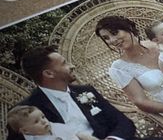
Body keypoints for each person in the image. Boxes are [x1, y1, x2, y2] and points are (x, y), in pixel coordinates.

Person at [94, 16, 163, 139]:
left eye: (115, 33)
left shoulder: (160, 43)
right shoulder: (119, 68)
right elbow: (140, 101)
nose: (112, 40)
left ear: (128, 28)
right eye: (106, 38)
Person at [7, 45, 136, 140]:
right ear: (48, 73)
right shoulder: (25, 112)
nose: (72, 65)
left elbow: (123, 122)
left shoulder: (86, 91)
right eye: (64, 63)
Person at [7, 105, 98, 140]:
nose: (43, 121)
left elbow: (73, 132)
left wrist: (86, 137)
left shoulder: (55, 126)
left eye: (43, 117)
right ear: (26, 131)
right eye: (36, 121)